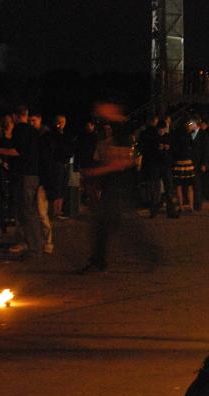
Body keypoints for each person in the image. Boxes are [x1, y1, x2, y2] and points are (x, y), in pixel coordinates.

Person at [79, 101, 158, 274]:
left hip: (119, 184)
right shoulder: (115, 128)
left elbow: (123, 161)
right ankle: (149, 255)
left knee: (115, 225)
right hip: (115, 184)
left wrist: (96, 171)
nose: (98, 112)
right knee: (111, 225)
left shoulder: (121, 128)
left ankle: (101, 262)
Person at [0, 105, 43, 255]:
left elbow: (17, 151)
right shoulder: (33, 131)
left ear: (15, 116)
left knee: (27, 211)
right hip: (33, 174)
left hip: (24, 174)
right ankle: (32, 242)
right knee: (29, 210)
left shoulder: (21, 130)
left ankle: (34, 246)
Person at [29, 112, 55, 254]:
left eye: (33, 120)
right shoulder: (35, 136)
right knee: (35, 211)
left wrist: (46, 182)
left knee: (41, 212)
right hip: (35, 178)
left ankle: (47, 241)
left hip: (42, 179)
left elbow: (47, 162)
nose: (31, 123)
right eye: (30, 121)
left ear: (39, 120)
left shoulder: (45, 138)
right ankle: (40, 240)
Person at [171, 120, 197, 213]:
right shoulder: (188, 135)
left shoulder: (175, 136)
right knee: (190, 185)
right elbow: (192, 146)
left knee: (179, 186)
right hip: (187, 161)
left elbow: (174, 149)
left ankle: (181, 206)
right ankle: (190, 206)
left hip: (179, 162)